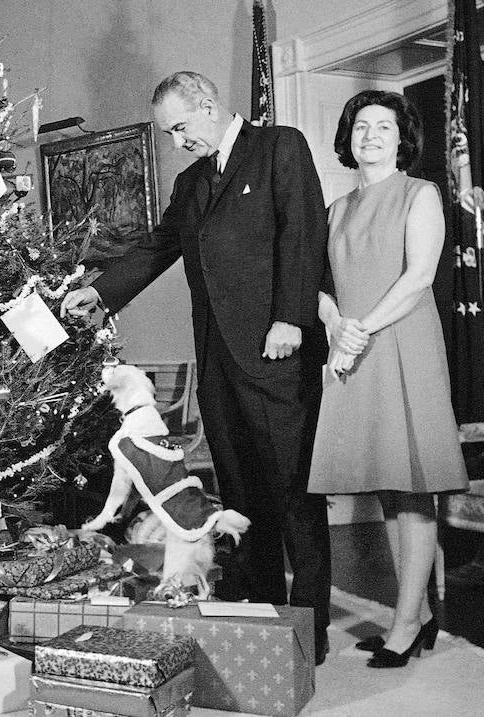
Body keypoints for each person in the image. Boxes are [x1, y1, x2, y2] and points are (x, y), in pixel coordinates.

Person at [62, 70, 332, 662]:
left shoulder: (278, 147)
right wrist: (101, 294)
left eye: (181, 127)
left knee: (291, 491)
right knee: (240, 495)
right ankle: (264, 617)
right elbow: (159, 248)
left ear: (207, 106)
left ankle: (311, 631)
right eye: (170, 133)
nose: (179, 141)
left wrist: (291, 318)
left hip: (276, 350)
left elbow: (303, 233)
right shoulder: (190, 183)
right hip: (217, 360)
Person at [307, 89, 469, 669]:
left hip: (402, 342)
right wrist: (335, 325)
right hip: (353, 346)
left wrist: (361, 329)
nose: (371, 136)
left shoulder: (420, 194)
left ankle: (406, 621)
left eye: (383, 127)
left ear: (403, 138)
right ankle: (416, 613)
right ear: (348, 139)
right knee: (384, 479)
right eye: (360, 127)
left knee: (412, 482)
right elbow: (319, 285)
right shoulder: (334, 210)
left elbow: (420, 275)